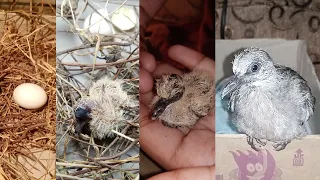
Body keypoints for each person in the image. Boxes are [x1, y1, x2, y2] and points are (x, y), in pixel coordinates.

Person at [140, 1, 215, 179]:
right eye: (162, 97)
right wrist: (137, 16)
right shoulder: (162, 100)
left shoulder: (196, 103)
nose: (160, 103)